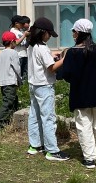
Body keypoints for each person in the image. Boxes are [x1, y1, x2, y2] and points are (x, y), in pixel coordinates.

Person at [61, 19, 96, 169]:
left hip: (80, 95)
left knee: (84, 127)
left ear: (77, 33)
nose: (72, 34)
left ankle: (89, 159)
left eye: (73, 31)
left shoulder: (71, 53)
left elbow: (66, 75)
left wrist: (78, 80)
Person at [26, 17, 70, 161]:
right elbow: (51, 68)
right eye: (49, 33)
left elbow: (41, 59)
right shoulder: (43, 48)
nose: (50, 36)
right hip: (44, 86)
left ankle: (35, 145)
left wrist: (52, 55)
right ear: (42, 32)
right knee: (48, 118)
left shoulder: (31, 46)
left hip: (33, 84)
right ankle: (52, 150)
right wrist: (65, 59)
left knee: (34, 115)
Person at [0, 31, 21, 133]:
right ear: (12, 42)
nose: (16, 43)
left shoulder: (1, 53)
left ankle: (12, 118)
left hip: (3, 82)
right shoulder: (13, 53)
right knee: (7, 103)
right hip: (11, 81)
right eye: (15, 41)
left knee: (12, 99)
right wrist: (19, 80)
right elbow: (17, 68)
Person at [10, 15, 30, 82]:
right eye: (21, 23)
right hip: (18, 55)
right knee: (19, 74)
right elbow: (16, 43)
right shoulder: (13, 31)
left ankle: (23, 85)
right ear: (16, 23)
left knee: (25, 73)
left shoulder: (20, 31)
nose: (23, 25)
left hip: (24, 54)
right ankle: (20, 85)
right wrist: (24, 35)